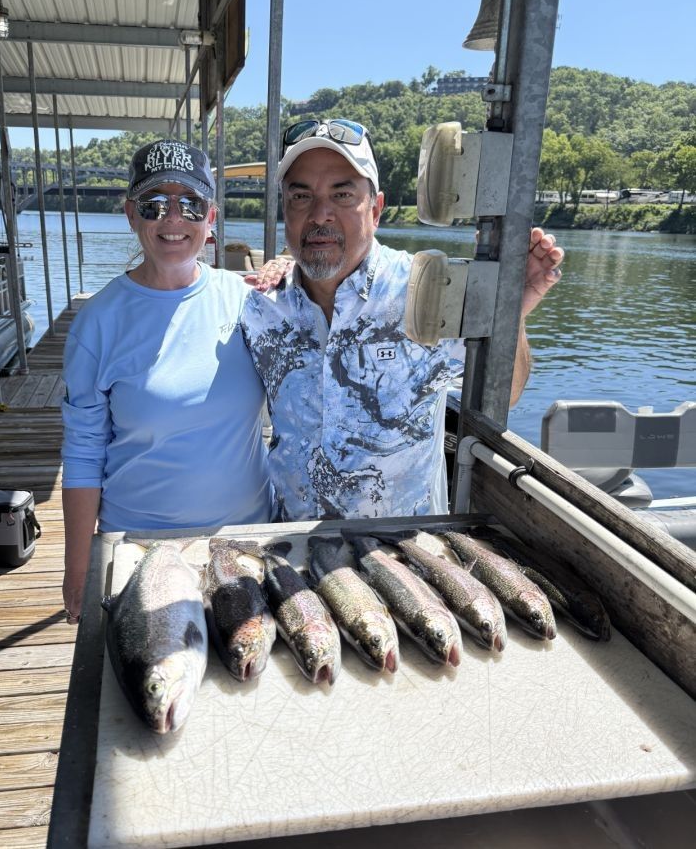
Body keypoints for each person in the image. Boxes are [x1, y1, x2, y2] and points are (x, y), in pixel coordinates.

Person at [241, 119, 564, 522]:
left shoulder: (426, 289)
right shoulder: (259, 306)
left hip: (404, 550)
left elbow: (504, 395)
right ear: (284, 209)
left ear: (375, 209)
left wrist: (510, 313)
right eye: (301, 197)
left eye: (342, 194)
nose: (320, 214)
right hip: (288, 544)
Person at [61, 138, 273, 622]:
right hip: (141, 549)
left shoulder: (250, 301)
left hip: (245, 546)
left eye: (191, 204)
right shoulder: (97, 322)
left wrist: (288, 269)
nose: (173, 219)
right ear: (131, 214)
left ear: (212, 218)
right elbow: (82, 454)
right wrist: (78, 569)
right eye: (155, 204)